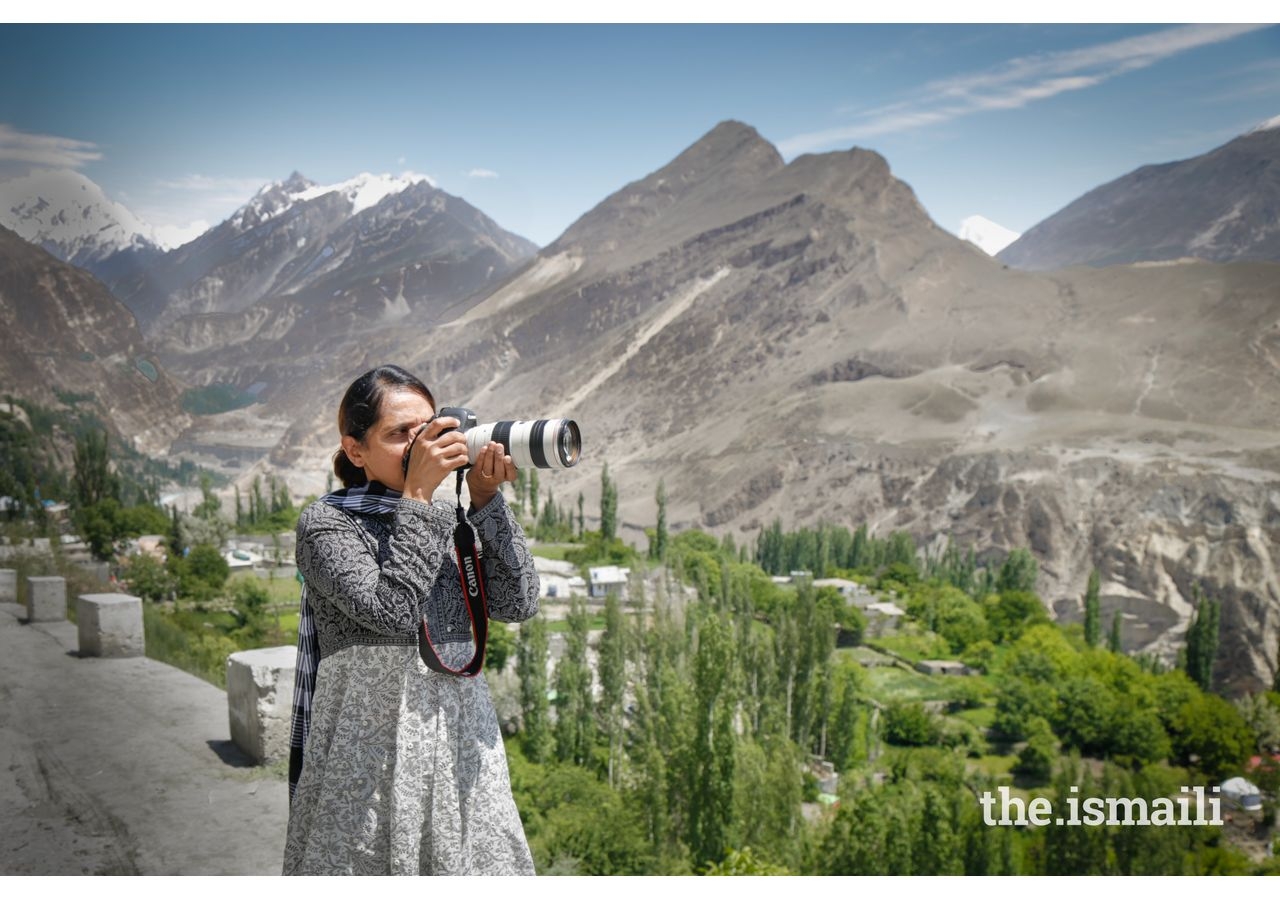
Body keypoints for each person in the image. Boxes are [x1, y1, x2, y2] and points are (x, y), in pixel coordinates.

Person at [282, 364, 539, 875]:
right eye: (400, 434)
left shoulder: (451, 519)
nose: (420, 443)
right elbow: (391, 612)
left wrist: (486, 502)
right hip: (368, 756)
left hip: (461, 746)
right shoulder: (326, 523)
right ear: (355, 450)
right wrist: (418, 498)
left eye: (426, 427)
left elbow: (517, 602)